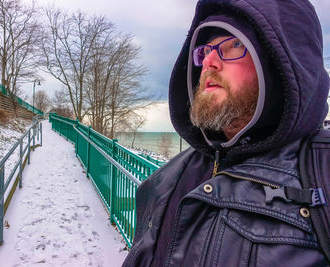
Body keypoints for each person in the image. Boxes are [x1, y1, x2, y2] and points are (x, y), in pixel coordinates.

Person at [122, 0, 329, 266]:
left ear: (281, 61)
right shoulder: (168, 177)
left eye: (234, 44)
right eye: (206, 49)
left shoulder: (322, 172)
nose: (208, 61)